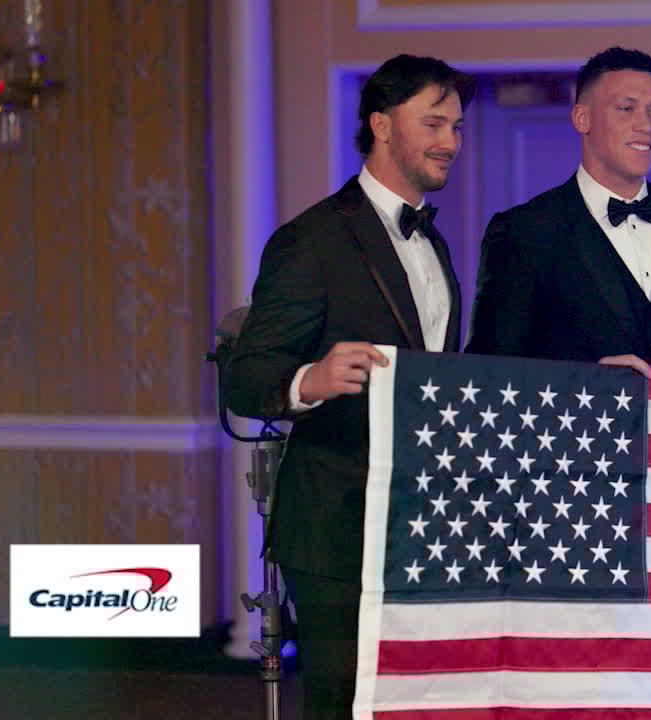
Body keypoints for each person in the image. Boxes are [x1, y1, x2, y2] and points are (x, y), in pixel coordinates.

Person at [223, 54, 473, 720]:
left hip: (420, 523)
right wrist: (311, 378)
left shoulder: (436, 244)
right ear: (382, 125)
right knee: (340, 704)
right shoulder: (311, 240)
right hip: (334, 526)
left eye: (456, 126)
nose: (451, 141)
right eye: (434, 123)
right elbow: (246, 377)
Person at [464, 47, 651, 389]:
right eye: (626, 108)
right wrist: (584, 379)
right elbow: (488, 367)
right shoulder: (524, 231)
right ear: (582, 119)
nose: (646, 125)